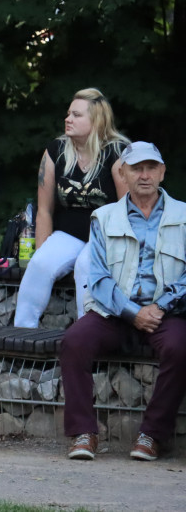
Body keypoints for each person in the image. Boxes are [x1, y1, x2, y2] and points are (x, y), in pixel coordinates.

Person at [62, 142, 186, 461]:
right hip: (116, 312)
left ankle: (151, 436)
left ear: (162, 172)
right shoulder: (103, 218)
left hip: (166, 312)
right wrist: (132, 313)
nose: (144, 175)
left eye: (150, 168)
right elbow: (99, 279)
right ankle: (84, 433)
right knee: (74, 341)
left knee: (180, 347)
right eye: (136, 168)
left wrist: (159, 308)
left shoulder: (184, 216)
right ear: (123, 173)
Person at [14, 88, 128, 328]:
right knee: (39, 264)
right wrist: (43, 252)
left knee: (86, 266)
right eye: (68, 114)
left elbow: (127, 210)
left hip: (106, 235)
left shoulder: (117, 153)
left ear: (96, 120)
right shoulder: (55, 151)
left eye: (76, 115)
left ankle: (87, 336)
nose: (68, 119)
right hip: (67, 233)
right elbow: (44, 210)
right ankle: (21, 335)